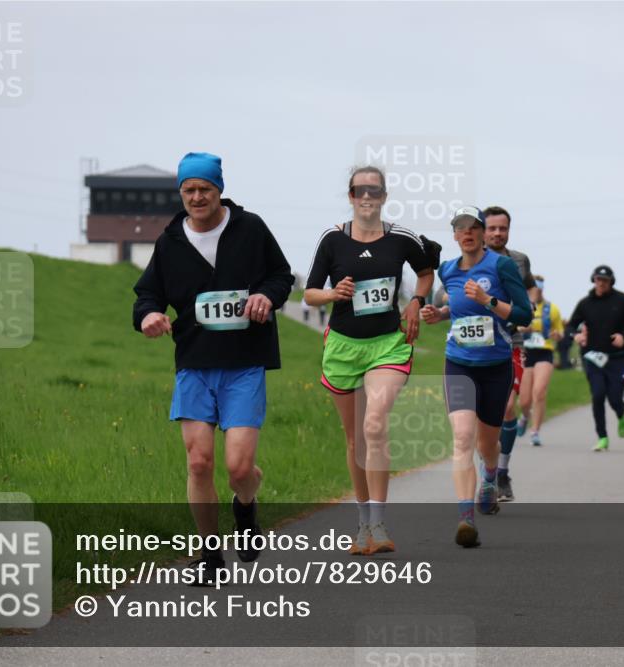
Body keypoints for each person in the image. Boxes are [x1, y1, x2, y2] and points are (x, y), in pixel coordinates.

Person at [133, 152, 293, 583]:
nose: (197, 197)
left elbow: (281, 276)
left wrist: (266, 296)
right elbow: (147, 295)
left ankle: (246, 508)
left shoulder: (250, 228)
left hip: (244, 363)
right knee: (199, 462)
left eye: (205, 188)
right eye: (189, 190)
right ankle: (208, 556)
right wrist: (147, 316)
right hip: (195, 364)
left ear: (219, 190)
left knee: (240, 468)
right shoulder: (170, 241)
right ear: (180, 193)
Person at [303, 165, 436, 556]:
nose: (366, 196)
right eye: (359, 190)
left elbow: (426, 273)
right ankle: (362, 524)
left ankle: (378, 523)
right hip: (343, 347)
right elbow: (309, 293)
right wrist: (333, 294)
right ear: (350, 196)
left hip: (387, 346)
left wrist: (415, 302)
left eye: (374, 191)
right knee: (355, 439)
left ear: (383, 196)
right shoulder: (332, 239)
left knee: (374, 424)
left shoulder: (401, 237)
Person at [421, 206, 532, 547]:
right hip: (459, 363)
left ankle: (490, 475)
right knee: (462, 438)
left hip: (495, 365)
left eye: (473, 227)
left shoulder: (501, 266)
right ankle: (465, 518)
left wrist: (489, 300)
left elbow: (525, 313)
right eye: (460, 228)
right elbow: (456, 308)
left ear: (483, 233)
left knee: (487, 445)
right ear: (454, 235)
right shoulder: (448, 270)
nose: (467, 233)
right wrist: (437, 314)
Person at [481, 206, 537, 501]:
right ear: (482, 230)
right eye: (491, 228)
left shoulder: (519, 260)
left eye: (502, 228)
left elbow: (530, 290)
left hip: (510, 342)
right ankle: (487, 469)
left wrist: (529, 306)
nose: (497, 233)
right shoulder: (469, 260)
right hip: (473, 345)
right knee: (478, 416)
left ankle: (500, 473)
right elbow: (444, 294)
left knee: (506, 409)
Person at [563, 265, 624, 452]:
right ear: (593, 280)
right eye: (598, 279)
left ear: (611, 282)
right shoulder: (585, 303)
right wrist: (576, 336)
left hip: (616, 358)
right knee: (598, 395)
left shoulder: (622, 300)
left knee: (614, 397)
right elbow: (570, 326)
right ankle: (602, 437)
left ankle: (621, 415)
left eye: (605, 280)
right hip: (592, 357)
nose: (601, 283)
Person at [516, 276, 564, 451]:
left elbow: (560, 332)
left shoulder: (552, 309)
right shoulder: (522, 306)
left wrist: (557, 335)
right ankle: (524, 416)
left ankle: (535, 431)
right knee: (524, 400)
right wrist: (523, 328)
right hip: (526, 352)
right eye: (532, 290)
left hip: (545, 352)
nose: (535, 293)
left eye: (538, 290)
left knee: (540, 392)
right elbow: (512, 326)